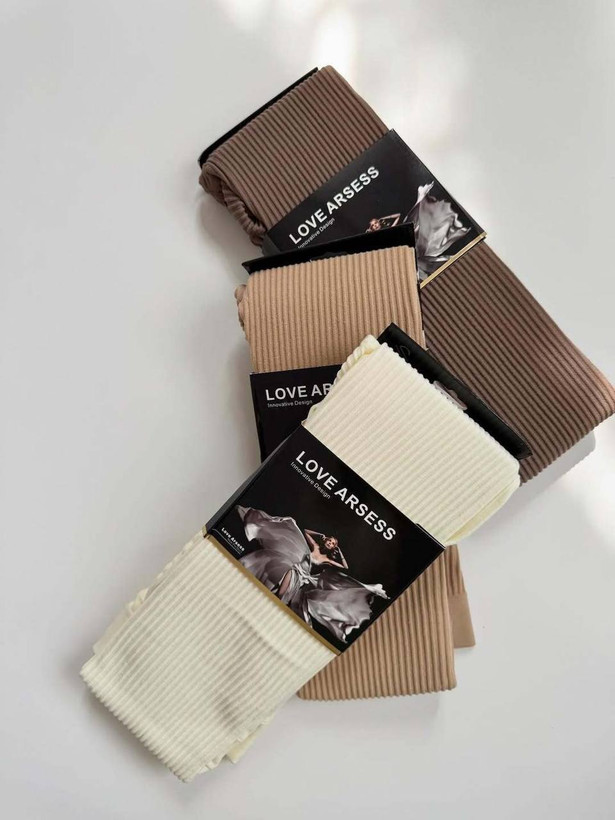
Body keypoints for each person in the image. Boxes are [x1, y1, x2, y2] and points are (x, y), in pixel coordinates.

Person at [236, 506, 387, 643]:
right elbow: (307, 532)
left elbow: (345, 566)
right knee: (285, 582)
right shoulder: (314, 546)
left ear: (333, 548)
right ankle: (273, 601)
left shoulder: (327, 559)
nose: (330, 543)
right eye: (329, 541)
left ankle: (272, 608)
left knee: (286, 594)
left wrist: (339, 550)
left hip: (304, 577)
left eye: (332, 544)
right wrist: (321, 535)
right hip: (295, 569)